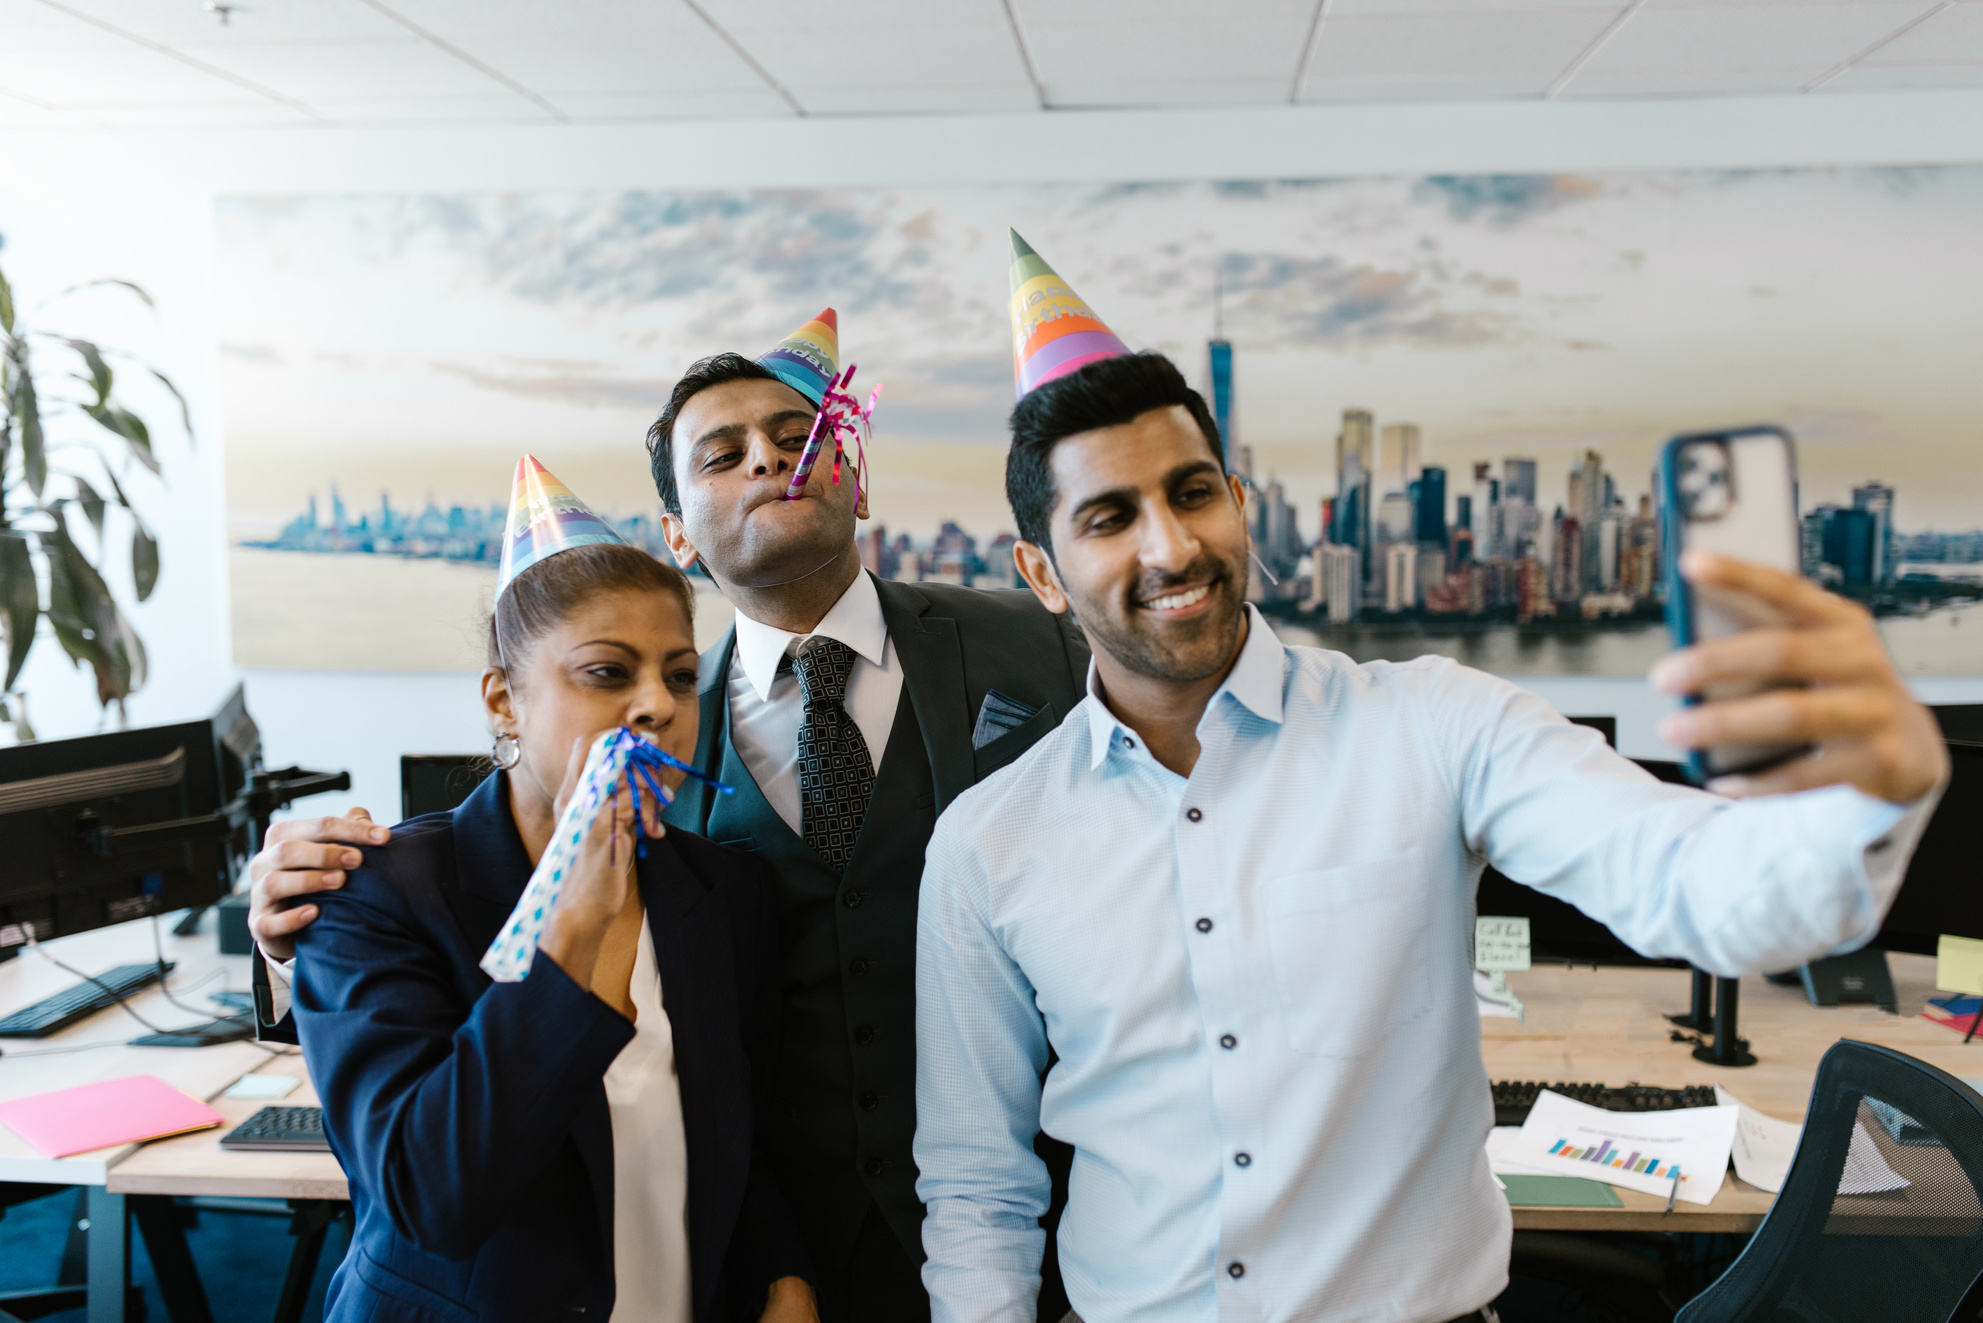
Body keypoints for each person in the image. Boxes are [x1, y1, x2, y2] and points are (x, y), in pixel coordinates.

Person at [910, 235, 1949, 1323]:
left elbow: (1706, 892)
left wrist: (1873, 789)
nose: (1172, 547)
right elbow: (978, 1188)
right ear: (1040, 570)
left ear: (1240, 501)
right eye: (1110, 517)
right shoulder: (990, 845)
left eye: (1193, 492)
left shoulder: (1434, 726)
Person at [248, 311, 1090, 1323]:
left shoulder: (1041, 642)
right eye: (723, 453)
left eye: (798, 434)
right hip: (761, 1251)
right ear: (679, 536)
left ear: (856, 479)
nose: (774, 460)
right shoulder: (618, 783)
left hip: (1018, 1221)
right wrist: (285, 949)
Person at [289, 458, 816, 1323]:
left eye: (680, 676)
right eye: (608, 673)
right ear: (504, 701)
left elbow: (739, 1131)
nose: (655, 703)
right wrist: (572, 925)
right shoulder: (379, 894)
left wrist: (783, 1276)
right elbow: (431, 1196)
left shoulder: (723, 891)